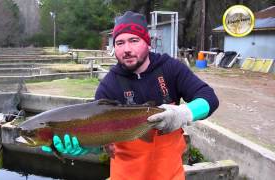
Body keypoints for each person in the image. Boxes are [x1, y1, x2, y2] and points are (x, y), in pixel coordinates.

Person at [42, 11, 219, 180]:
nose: (126, 49)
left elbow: (209, 98)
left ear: (147, 42)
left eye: (134, 40)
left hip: (170, 175)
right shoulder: (108, 85)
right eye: (120, 43)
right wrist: (88, 146)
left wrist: (184, 113)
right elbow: (105, 145)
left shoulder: (170, 68)